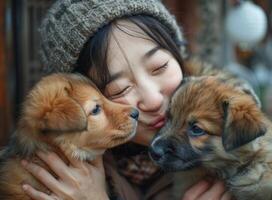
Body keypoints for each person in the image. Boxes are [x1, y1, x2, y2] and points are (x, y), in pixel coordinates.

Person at [20, 0, 236, 199]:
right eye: (119, 89)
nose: (152, 100)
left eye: (159, 67)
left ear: (178, 55)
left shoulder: (234, 141)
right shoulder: (58, 182)